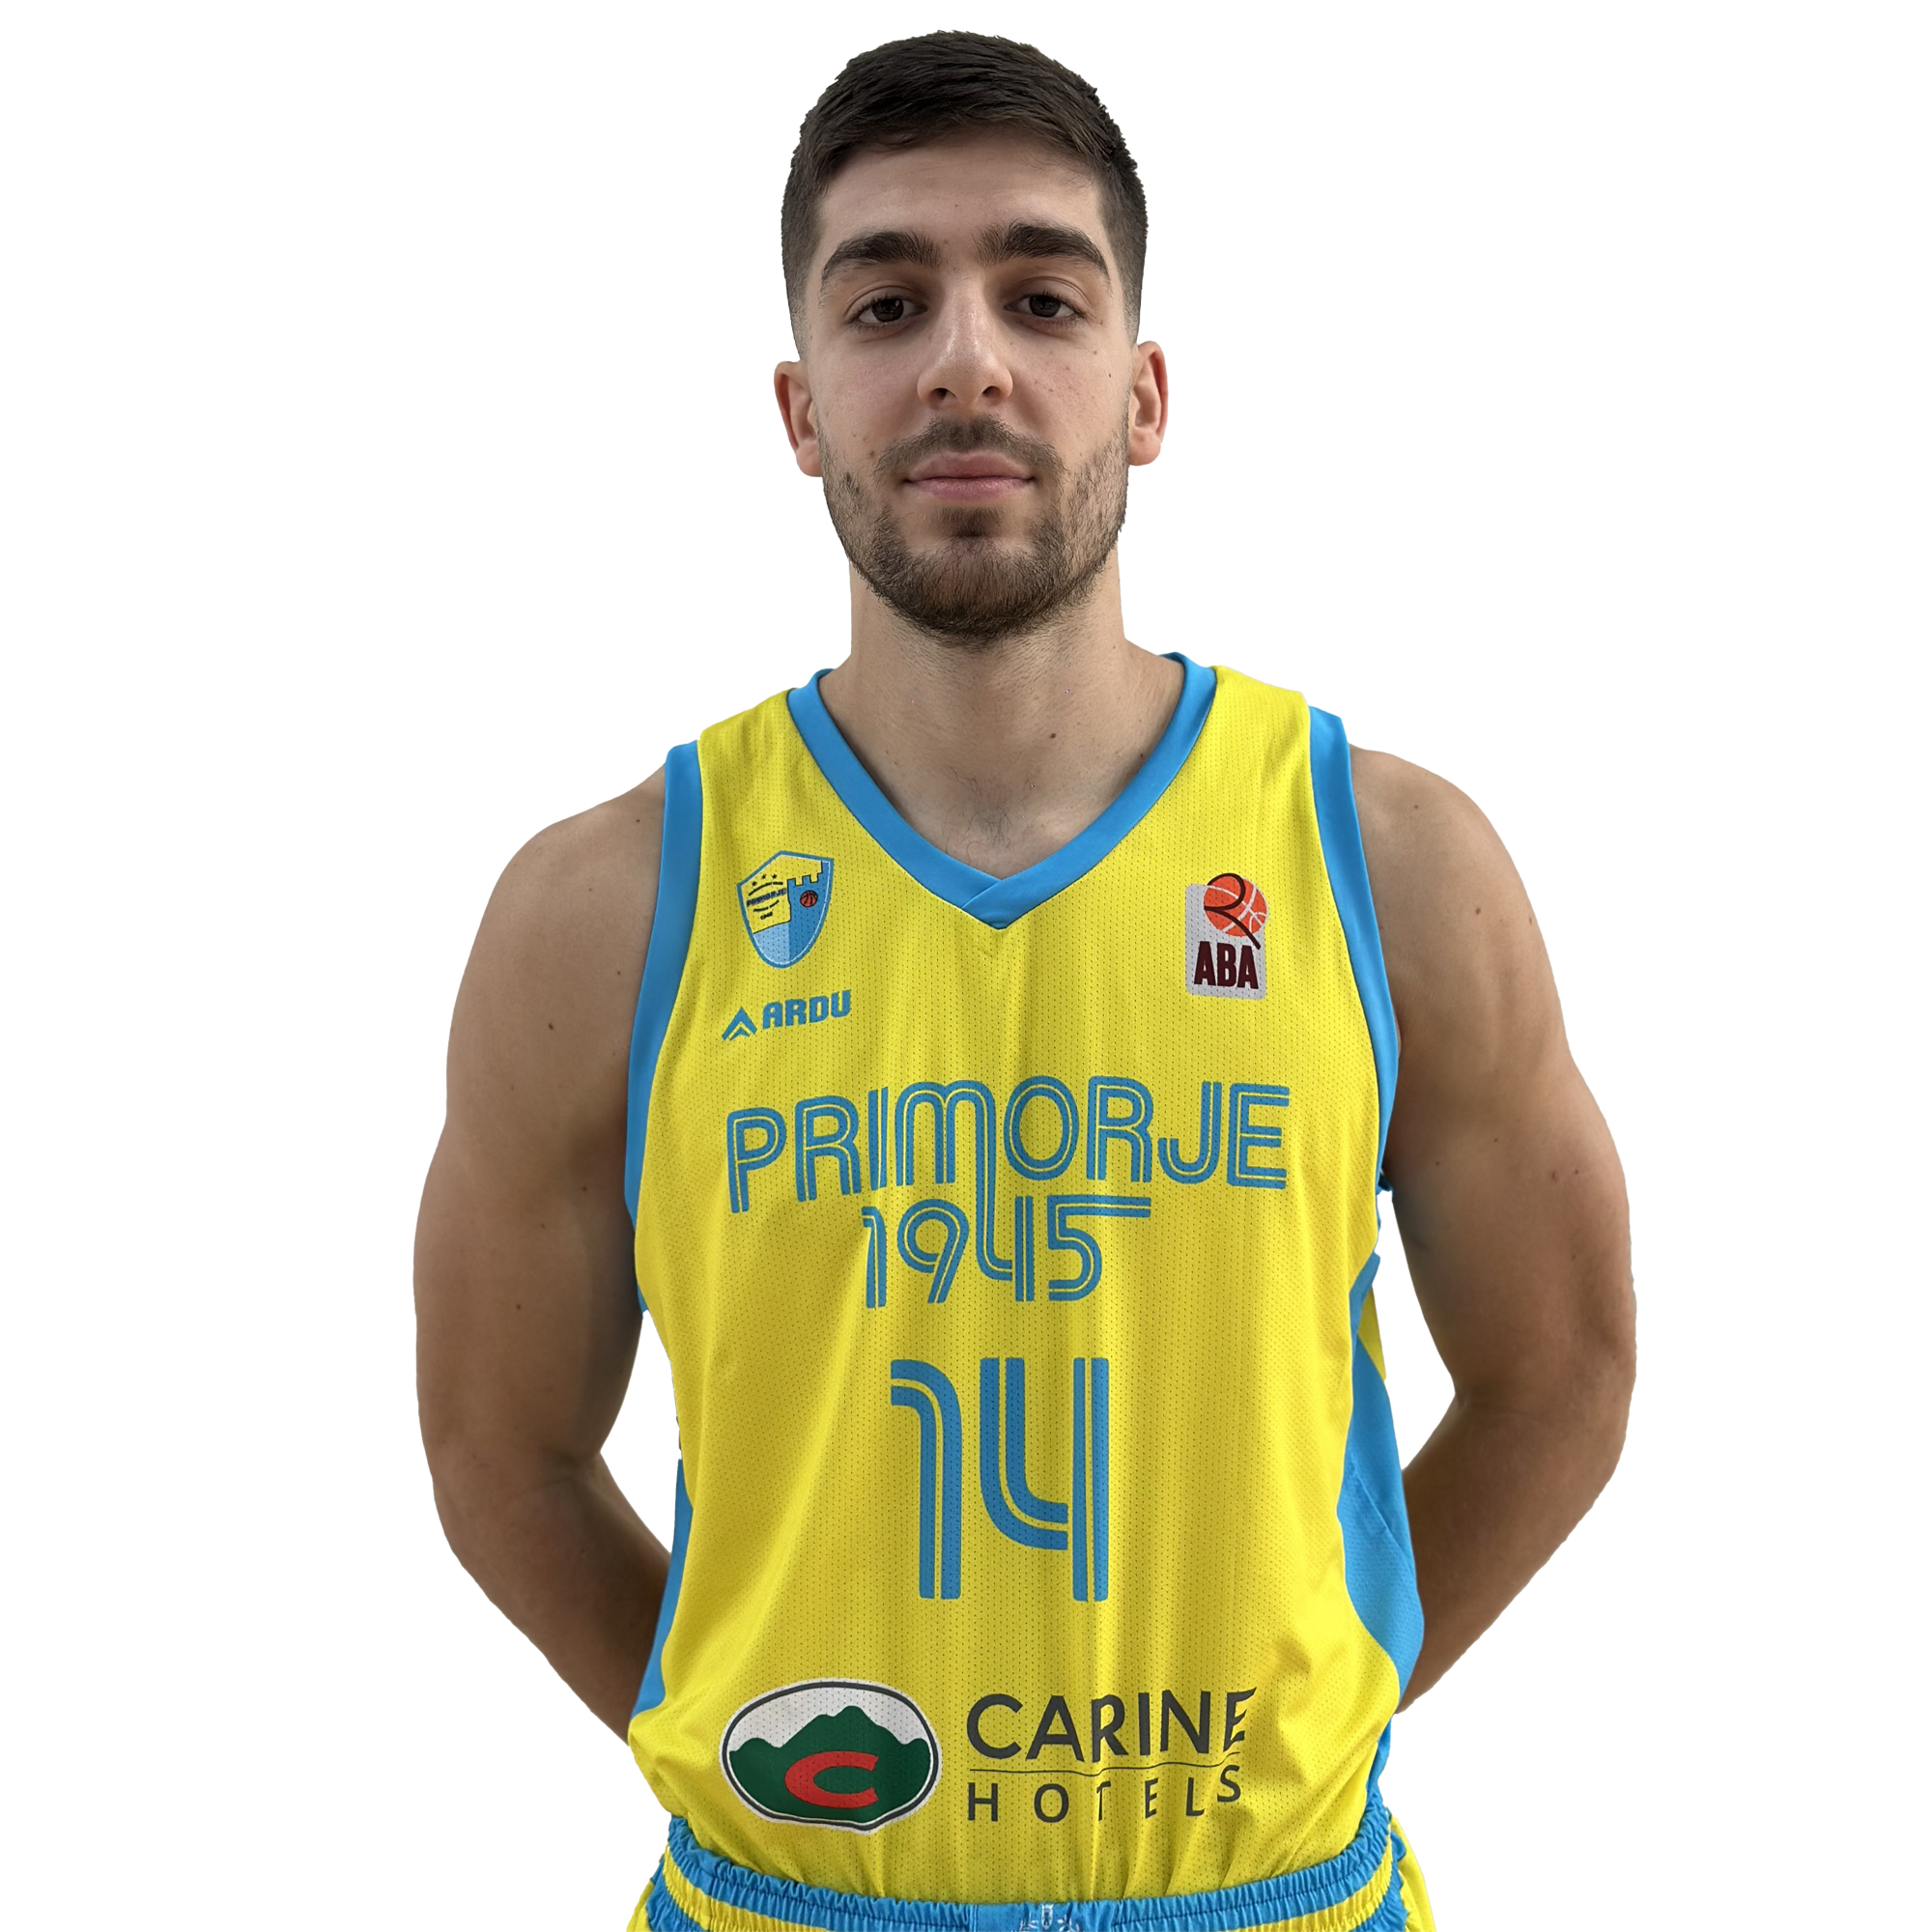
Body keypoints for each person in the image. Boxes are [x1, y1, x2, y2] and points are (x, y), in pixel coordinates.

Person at [415, 30, 1633, 1932]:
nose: (966, 360)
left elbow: (1565, 1368)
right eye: (885, 301)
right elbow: (498, 1448)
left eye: (1043, 296)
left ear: (1142, 393)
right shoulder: (607, 909)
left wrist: (1319, 1721)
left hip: (1276, 1901)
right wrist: (743, 1746)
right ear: (801, 405)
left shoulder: (1388, 864)